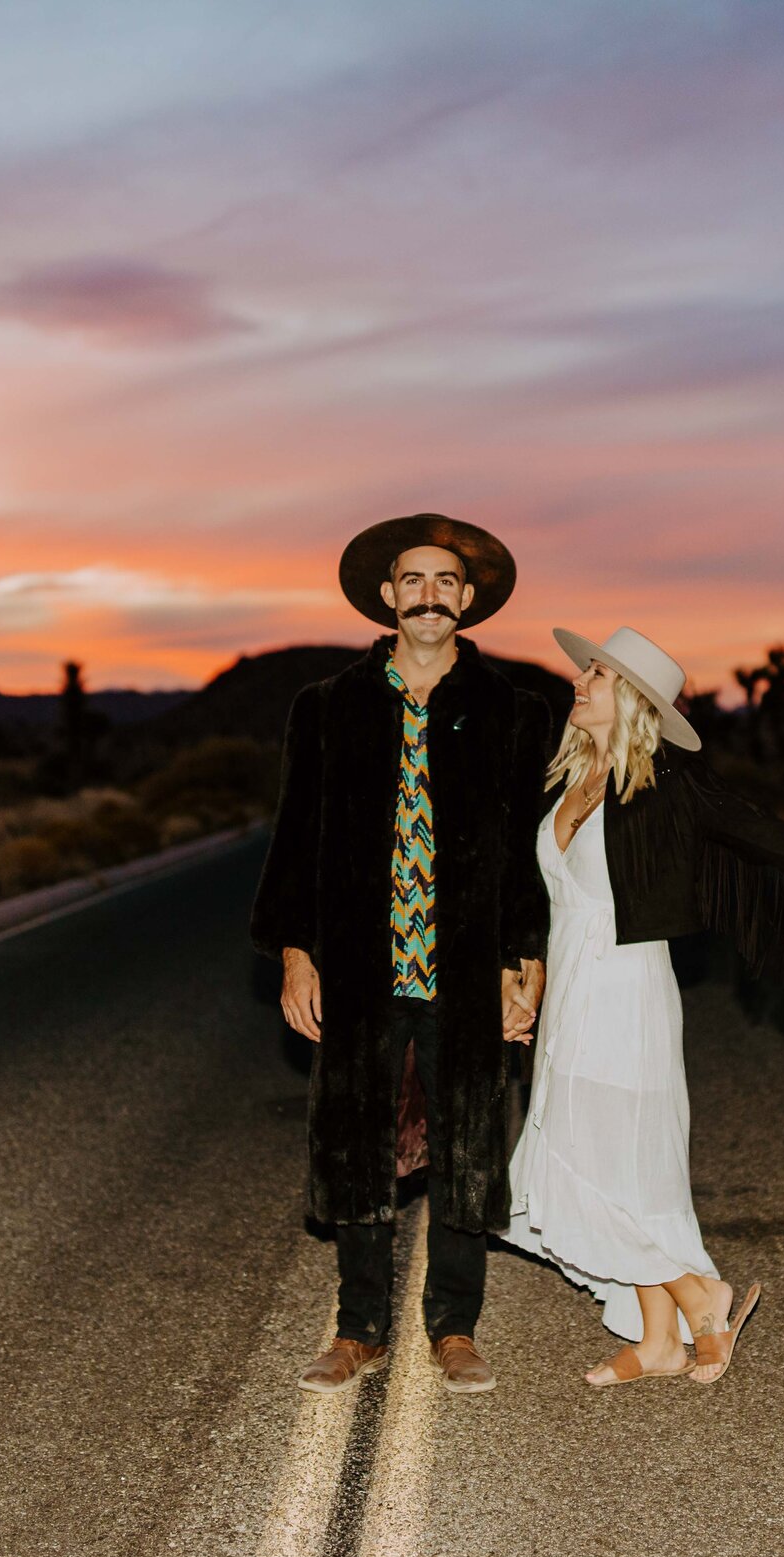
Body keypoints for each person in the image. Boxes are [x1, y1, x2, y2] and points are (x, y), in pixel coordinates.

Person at [500, 626, 784, 1386]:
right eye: (586, 670)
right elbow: (550, 904)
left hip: (627, 992)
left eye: (597, 673)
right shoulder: (567, 781)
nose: (581, 680)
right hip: (573, 990)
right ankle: (660, 1341)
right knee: (612, 1163)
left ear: (631, 701)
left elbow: (774, 838)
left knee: (599, 1157)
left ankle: (701, 1293)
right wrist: (523, 976)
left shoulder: (665, 789)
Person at [251, 514, 558, 1395]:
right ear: (389, 597)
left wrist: (524, 957)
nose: (430, 595)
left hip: (464, 961)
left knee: (468, 1137)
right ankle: (359, 1330)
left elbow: (526, 848)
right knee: (357, 1135)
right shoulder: (328, 706)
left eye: (446, 582)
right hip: (358, 960)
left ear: (468, 601)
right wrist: (296, 952)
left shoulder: (512, 712)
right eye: (413, 580)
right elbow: (297, 836)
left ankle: (454, 1327)